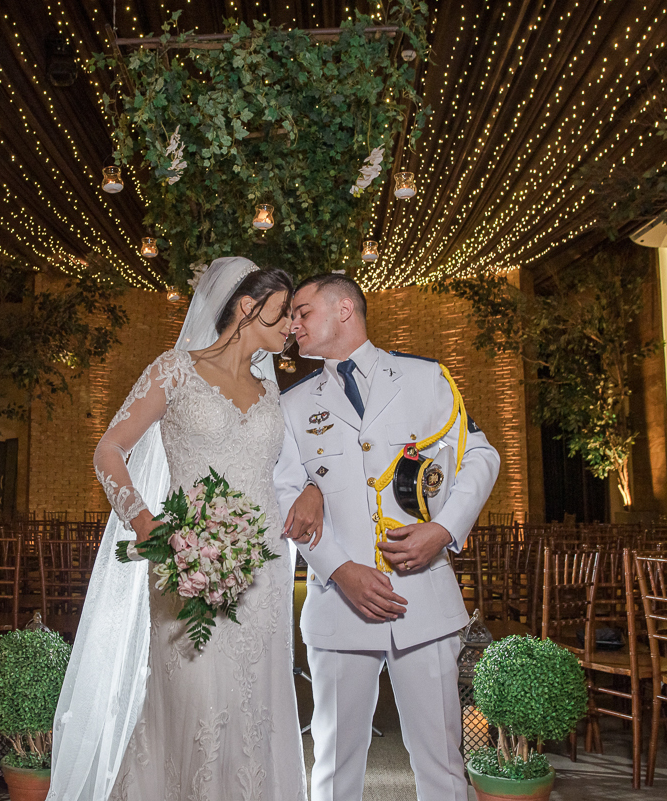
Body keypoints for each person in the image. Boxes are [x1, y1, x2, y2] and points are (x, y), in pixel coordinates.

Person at [47, 257, 321, 801]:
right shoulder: (174, 370)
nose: (293, 325)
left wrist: (313, 488)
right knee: (195, 701)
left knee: (254, 703)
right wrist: (147, 524)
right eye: (284, 311)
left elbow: (297, 469)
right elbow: (109, 450)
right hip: (188, 559)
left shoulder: (273, 392)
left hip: (262, 570)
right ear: (246, 307)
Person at [273, 273, 501, 801]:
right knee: (332, 766)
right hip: (338, 604)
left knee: (442, 764)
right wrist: (338, 569)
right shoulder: (293, 403)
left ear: (344, 309)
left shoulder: (425, 378)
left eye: (303, 312)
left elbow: (480, 456)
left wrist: (443, 530)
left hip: (421, 596)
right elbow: (284, 494)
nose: (293, 324)